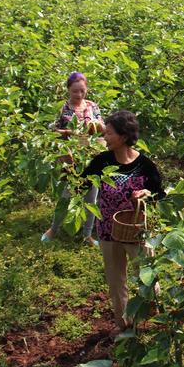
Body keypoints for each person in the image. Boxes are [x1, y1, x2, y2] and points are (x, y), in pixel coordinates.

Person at [82, 110, 164, 332]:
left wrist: (145, 193)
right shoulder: (101, 162)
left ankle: (156, 319)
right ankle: (124, 324)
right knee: (116, 281)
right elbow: (80, 185)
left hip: (136, 230)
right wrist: (67, 166)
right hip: (108, 231)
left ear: (124, 136)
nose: (105, 138)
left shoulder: (144, 165)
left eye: (109, 134)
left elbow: (160, 192)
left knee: (147, 276)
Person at [42, 72, 105, 246]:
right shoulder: (63, 108)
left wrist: (96, 125)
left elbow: (103, 128)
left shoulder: (92, 106)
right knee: (66, 195)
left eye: (82, 91)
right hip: (70, 157)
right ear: (68, 90)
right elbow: (53, 132)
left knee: (91, 198)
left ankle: (87, 235)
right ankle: (53, 229)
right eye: (75, 91)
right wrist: (72, 132)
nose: (79, 95)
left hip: (91, 156)